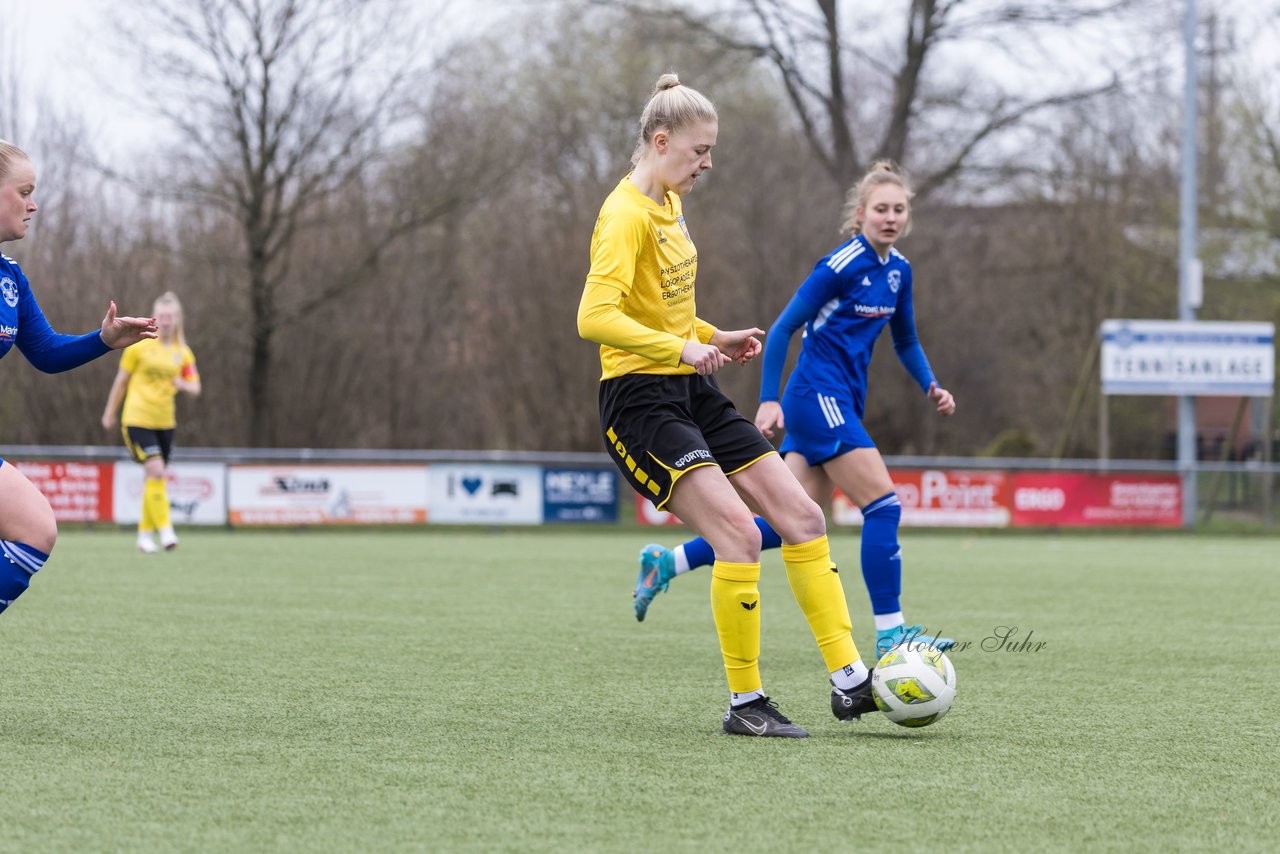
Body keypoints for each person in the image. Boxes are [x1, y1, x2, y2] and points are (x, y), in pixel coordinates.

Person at [578, 74, 879, 738]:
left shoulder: (672, 207)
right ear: (661, 142)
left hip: (691, 388)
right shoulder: (624, 215)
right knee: (738, 537)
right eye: (699, 150)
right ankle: (746, 705)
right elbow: (594, 317)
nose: (708, 163)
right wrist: (679, 349)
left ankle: (851, 681)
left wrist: (714, 337)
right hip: (639, 402)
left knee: (801, 514)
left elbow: (664, 307)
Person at [632, 161, 957, 660]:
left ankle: (666, 563)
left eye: (899, 209)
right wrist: (769, 398)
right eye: (880, 209)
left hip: (840, 399)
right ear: (860, 214)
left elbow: (907, 338)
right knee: (884, 505)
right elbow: (783, 328)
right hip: (815, 396)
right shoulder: (840, 265)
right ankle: (892, 631)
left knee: (789, 520)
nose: (890, 217)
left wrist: (931, 384)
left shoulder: (900, 272)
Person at [0, 139, 158, 616]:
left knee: (36, 527)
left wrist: (104, 340)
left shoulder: (10, 277)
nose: (34, 204)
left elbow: (45, 352)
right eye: (23, 191)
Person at [101, 292, 200, 553]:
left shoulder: (183, 353)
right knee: (156, 472)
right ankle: (166, 530)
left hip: (165, 422)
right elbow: (121, 381)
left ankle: (144, 535)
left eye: (171, 316)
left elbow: (195, 385)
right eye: (162, 316)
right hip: (137, 418)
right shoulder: (141, 346)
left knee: (154, 478)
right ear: (156, 318)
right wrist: (110, 412)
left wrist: (184, 384)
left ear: (177, 320)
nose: (166, 321)